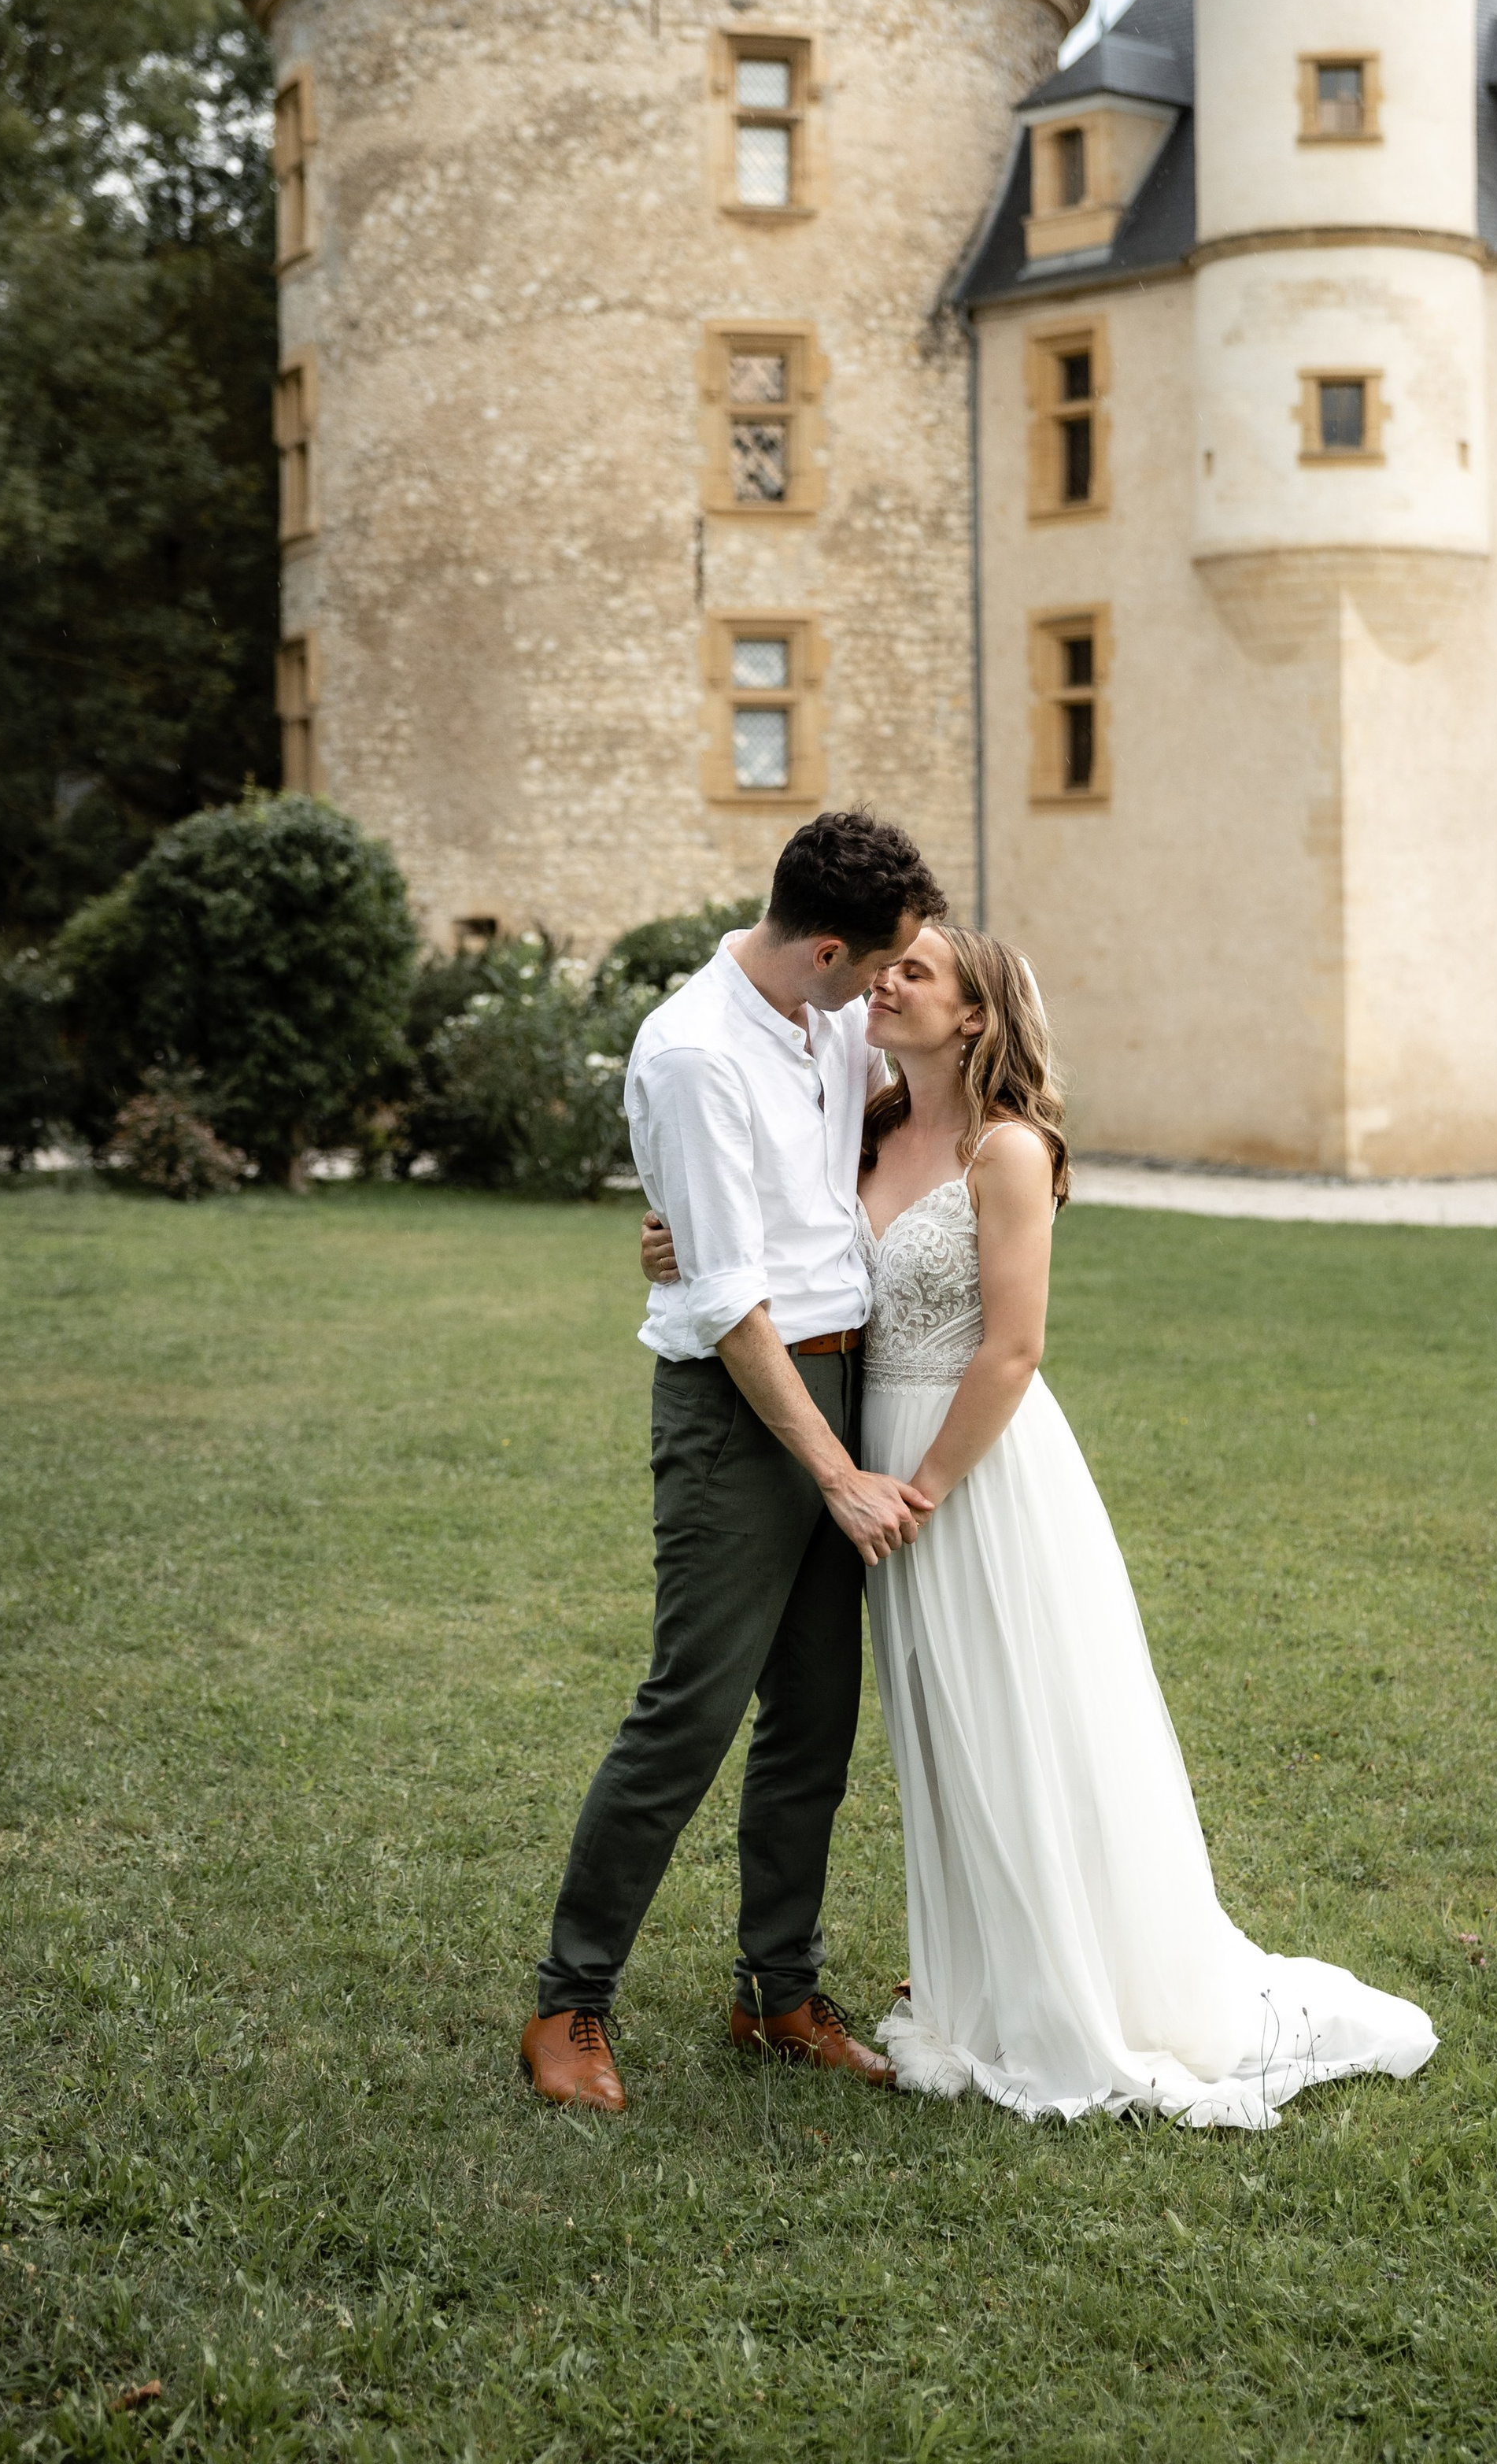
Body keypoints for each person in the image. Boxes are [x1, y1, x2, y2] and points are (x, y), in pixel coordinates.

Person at [645, 922, 1438, 2128]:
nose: (884, 981)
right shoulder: (857, 1123)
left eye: (915, 972)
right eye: (886, 967)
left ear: (974, 1017)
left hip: (975, 1469)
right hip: (876, 1463)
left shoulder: (1008, 1149)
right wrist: (673, 1241)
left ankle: (1074, 1978)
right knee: (940, 1726)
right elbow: (763, 1244)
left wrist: (926, 1489)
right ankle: (978, 1972)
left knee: (1024, 1712)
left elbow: (1014, 1348)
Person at [519, 810, 946, 2115]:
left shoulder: (830, 1024)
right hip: (738, 1406)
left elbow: (843, 1158)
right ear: (827, 948)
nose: (892, 990)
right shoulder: (695, 1053)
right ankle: (568, 2001)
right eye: (881, 969)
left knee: (815, 1717)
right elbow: (728, 1303)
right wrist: (830, 1470)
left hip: (845, 1379)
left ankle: (776, 1992)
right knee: (688, 1715)